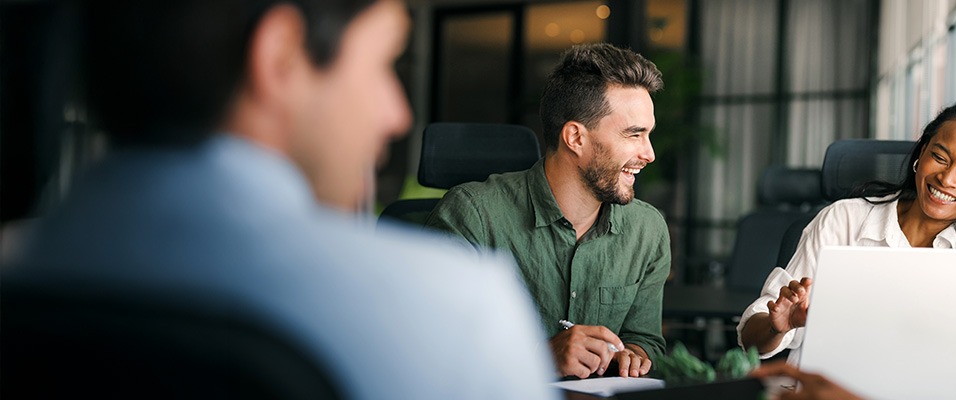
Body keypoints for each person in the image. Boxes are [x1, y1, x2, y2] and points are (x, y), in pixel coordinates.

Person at [4, 1, 556, 398]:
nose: (398, 114)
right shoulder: (455, 311)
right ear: (281, 56)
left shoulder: (22, 271)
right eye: (384, 63)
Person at [736, 97, 956, 360]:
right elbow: (751, 337)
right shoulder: (843, 221)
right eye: (940, 157)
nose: (947, 179)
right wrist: (780, 326)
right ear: (921, 153)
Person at [426, 43, 669, 379]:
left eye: (648, 134)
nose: (649, 153)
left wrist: (634, 355)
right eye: (634, 134)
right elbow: (430, 350)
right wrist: (539, 357)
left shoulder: (647, 229)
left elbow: (645, 339)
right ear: (575, 137)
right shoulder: (472, 216)